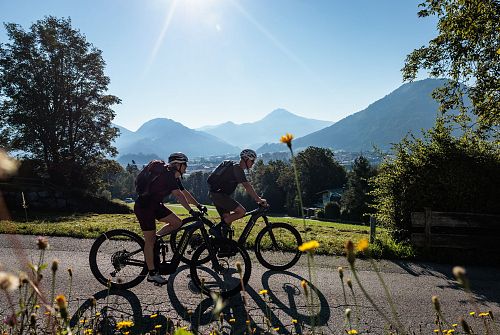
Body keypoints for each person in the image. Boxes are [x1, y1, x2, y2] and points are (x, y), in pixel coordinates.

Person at [134, 152, 205, 285]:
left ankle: (156, 238)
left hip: (155, 205)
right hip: (144, 206)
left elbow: (185, 193)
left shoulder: (174, 176)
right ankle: (152, 274)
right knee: (149, 240)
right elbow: (178, 194)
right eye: (185, 164)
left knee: (177, 222)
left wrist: (198, 205)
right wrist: (190, 210)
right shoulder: (168, 174)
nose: (186, 167)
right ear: (177, 165)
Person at [208, 149, 267, 237]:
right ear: (246, 159)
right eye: (252, 161)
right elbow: (247, 186)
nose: (253, 163)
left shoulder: (234, 167)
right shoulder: (237, 168)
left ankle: (222, 245)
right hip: (219, 195)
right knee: (241, 211)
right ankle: (216, 229)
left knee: (227, 219)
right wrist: (258, 199)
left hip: (216, 194)